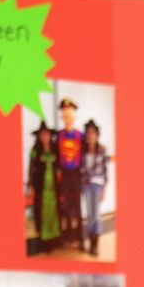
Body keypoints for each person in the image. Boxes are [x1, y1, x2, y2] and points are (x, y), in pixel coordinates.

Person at [26, 123, 60, 256]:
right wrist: (31, 187)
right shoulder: (35, 150)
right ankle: (44, 242)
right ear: (39, 136)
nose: (45, 136)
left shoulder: (54, 149)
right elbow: (30, 170)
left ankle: (54, 240)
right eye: (42, 134)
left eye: (47, 133)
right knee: (42, 214)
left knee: (54, 214)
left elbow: (59, 167)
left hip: (54, 189)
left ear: (50, 135)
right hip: (41, 189)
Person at [55, 100, 85, 250]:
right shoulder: (58, 136)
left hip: (76, 175)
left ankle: (80, 239)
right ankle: (66, 238)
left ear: (74, 118)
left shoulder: (81, 135)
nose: (68, 119)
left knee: (77, 209)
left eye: (70, 116)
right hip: (64, 176)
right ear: (62, 118)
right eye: (65, 116)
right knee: (65, 208)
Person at [80, 120, 111, 257]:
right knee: (89, 214)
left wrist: (105, 189)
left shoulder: (102, 149)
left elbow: (105, 171)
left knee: (96, 215)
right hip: (86, 185)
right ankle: (90, 241)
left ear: (97, 134)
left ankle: (95, 245)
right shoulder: (84, 151)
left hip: (98, 185)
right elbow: (81, 169)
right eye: (88, 133)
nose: (90, 135)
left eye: (93, 133)